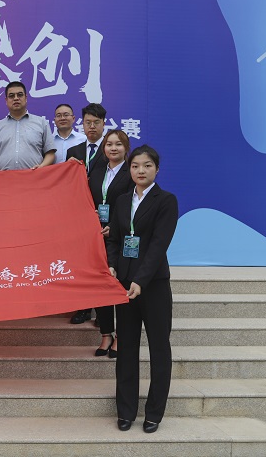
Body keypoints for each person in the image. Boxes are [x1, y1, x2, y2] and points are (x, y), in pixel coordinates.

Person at [106, 145, 178, 434]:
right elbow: (114, 239)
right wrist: (112, 266)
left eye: (147, 165)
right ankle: (126, 411)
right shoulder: (122, 200)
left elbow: (159, 245)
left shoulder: (166, 201)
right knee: (126, 349)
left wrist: (141, 280)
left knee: (159, 348)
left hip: (153, 285)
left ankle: (154, 413)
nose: (141, 171)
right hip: (124, 285)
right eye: (135, 166)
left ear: (157, 169)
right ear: (129, 169)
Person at [87, 130, 135, 358]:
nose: (113, 148)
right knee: (100, 285)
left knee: (120, 284)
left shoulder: (131, 172)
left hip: (120, 237)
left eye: (118, 144)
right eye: (109, 144)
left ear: (126, 148)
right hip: (96, 236)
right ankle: (106, 334)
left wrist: (115, 226)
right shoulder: (97, 171)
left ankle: (121, 337)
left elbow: (134, 205)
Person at [66, 102, 109, 324]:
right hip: (80, 215)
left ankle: (103, 313)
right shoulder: (74, 151)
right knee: (81, 262)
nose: (92, 126)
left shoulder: (111, 149)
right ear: (82, 125)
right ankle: (83, 308)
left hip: (104, 215)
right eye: (87, 122)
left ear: (104, 124)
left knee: (102, 263)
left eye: (96, 122)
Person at [0, 81, 56, 171]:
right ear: (6, 100)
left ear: (26, 98)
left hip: (34, 176)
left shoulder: (41, 123)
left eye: (20, 95)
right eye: (11, 96)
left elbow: (50, 153)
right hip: (4, 178)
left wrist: (41, 167)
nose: (16, 98)